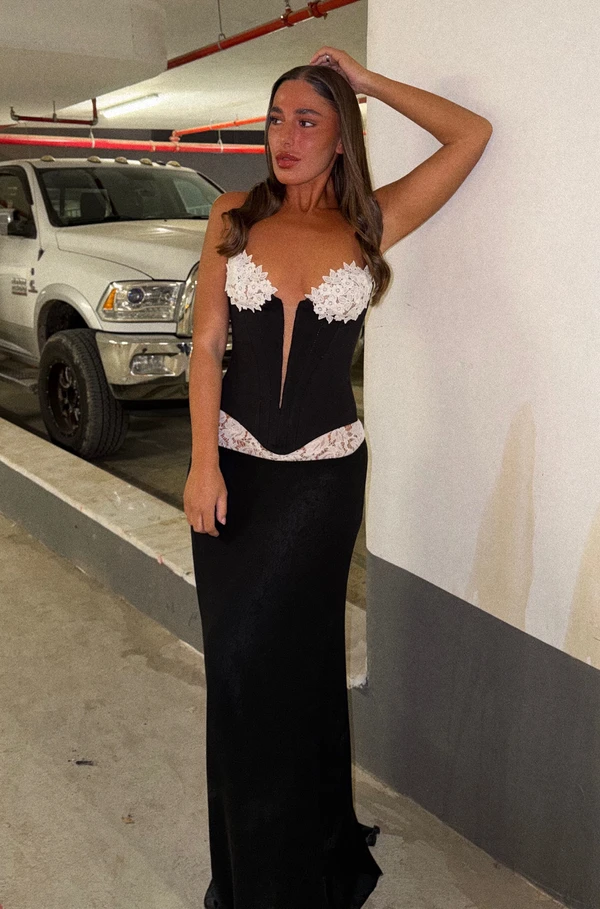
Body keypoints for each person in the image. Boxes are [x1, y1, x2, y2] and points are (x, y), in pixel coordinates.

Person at [184, 45, 492, 909]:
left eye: (307, 119)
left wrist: (368, 81)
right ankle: (259, 868)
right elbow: (206, 344)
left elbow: (471, 135)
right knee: (241, 672)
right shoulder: (234, 214)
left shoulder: (369, 224)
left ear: (341, 136)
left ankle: (294, 875)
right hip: (233, 474)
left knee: (296, 665)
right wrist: (202, 462)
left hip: (322, 486)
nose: (284, 136)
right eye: (275, 119)